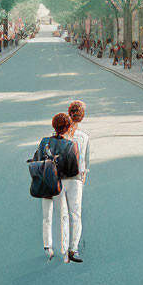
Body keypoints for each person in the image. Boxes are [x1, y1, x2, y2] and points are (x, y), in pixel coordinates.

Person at [35, 112, 80, 263]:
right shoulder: (69, 145)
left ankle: (48, 247)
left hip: (46, 182)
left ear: (54, 126)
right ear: (68, 127)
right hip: (60, 183)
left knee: (46, 216)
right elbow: (73, 170)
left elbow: (37, 159)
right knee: (63, 216)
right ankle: (64, 249)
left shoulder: (44, 142)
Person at [65, 100, 91, 264]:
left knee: (62, 213)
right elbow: (86, 161)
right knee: (75, 214)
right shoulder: (84, 137)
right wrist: (84, 175)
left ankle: (60, 244)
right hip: (76, 178)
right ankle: (72, 248)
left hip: (60, 178)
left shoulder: (59, 134)